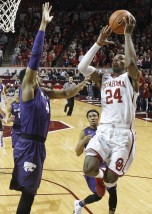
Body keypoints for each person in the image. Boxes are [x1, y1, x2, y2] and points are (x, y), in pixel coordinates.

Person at [9, 3, 89, 214]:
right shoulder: (27, 89)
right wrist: (43, 25)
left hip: (38, 146)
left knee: (30, 189)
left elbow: (64, 94)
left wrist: (79, 86)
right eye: (33, 73)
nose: (37, 73)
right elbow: (34, 59)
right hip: (28, 144)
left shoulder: (43, 91)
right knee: (29, 193)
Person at [77, 14, 140, 204]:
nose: (116, 58)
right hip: (104, 131)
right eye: (114, 56)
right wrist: (97, 44)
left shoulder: (131, 79)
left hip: (123, 135)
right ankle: (101, 172)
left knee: (110, 181)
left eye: (121, 57)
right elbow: (82, 67)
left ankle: (106, 174)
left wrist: (127, 36)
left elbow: (131, 63)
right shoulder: (104, 78)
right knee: (88, 168)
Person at [74, 109, 117, 214]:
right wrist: (83, 141)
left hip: (107, 165)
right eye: (90, 116)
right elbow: (77, 152)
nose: (93, 118)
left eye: (94, 115)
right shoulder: (84, 132)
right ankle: (79, 204)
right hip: (93, 168)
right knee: (99, 195)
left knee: (113, 191)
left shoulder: (105, 131)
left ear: (98, 117)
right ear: (88, 119)